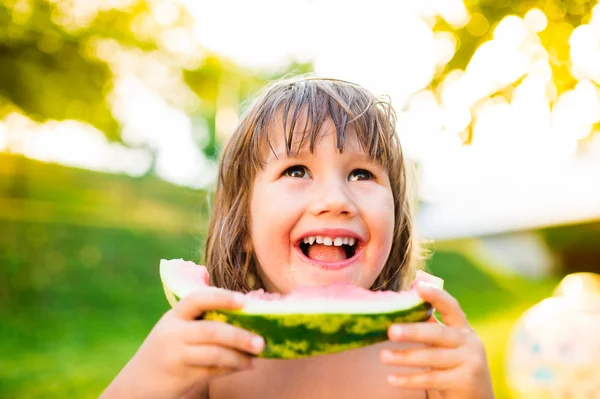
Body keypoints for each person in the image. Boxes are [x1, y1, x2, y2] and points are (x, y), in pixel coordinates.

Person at [100, 77, 495, 399]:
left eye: (362, 174)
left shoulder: (425, 360)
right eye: (296, 171)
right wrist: (148, 379)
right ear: (244, 227)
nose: (336, 200)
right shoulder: (211, 356)